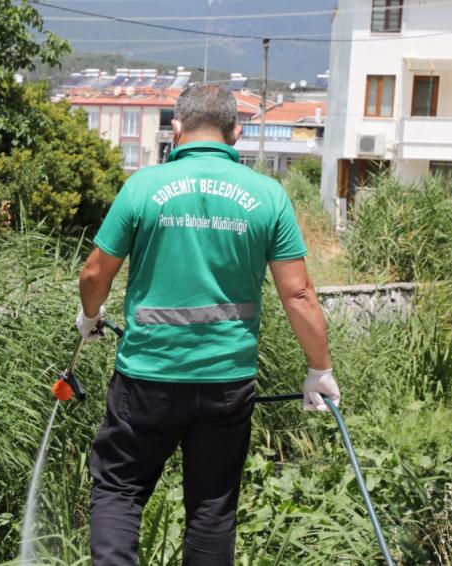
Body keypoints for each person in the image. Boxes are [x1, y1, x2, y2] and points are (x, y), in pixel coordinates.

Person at [76, 83, 340, 566]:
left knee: (119, 489)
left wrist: (89, 316)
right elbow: (298, 293)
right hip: (226, 384)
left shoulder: (143, 186)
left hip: (147, 378)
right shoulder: (268, 195)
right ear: (235, 133)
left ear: (175, 129)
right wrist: (317, 369)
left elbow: (95, 272)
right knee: (212, 510)